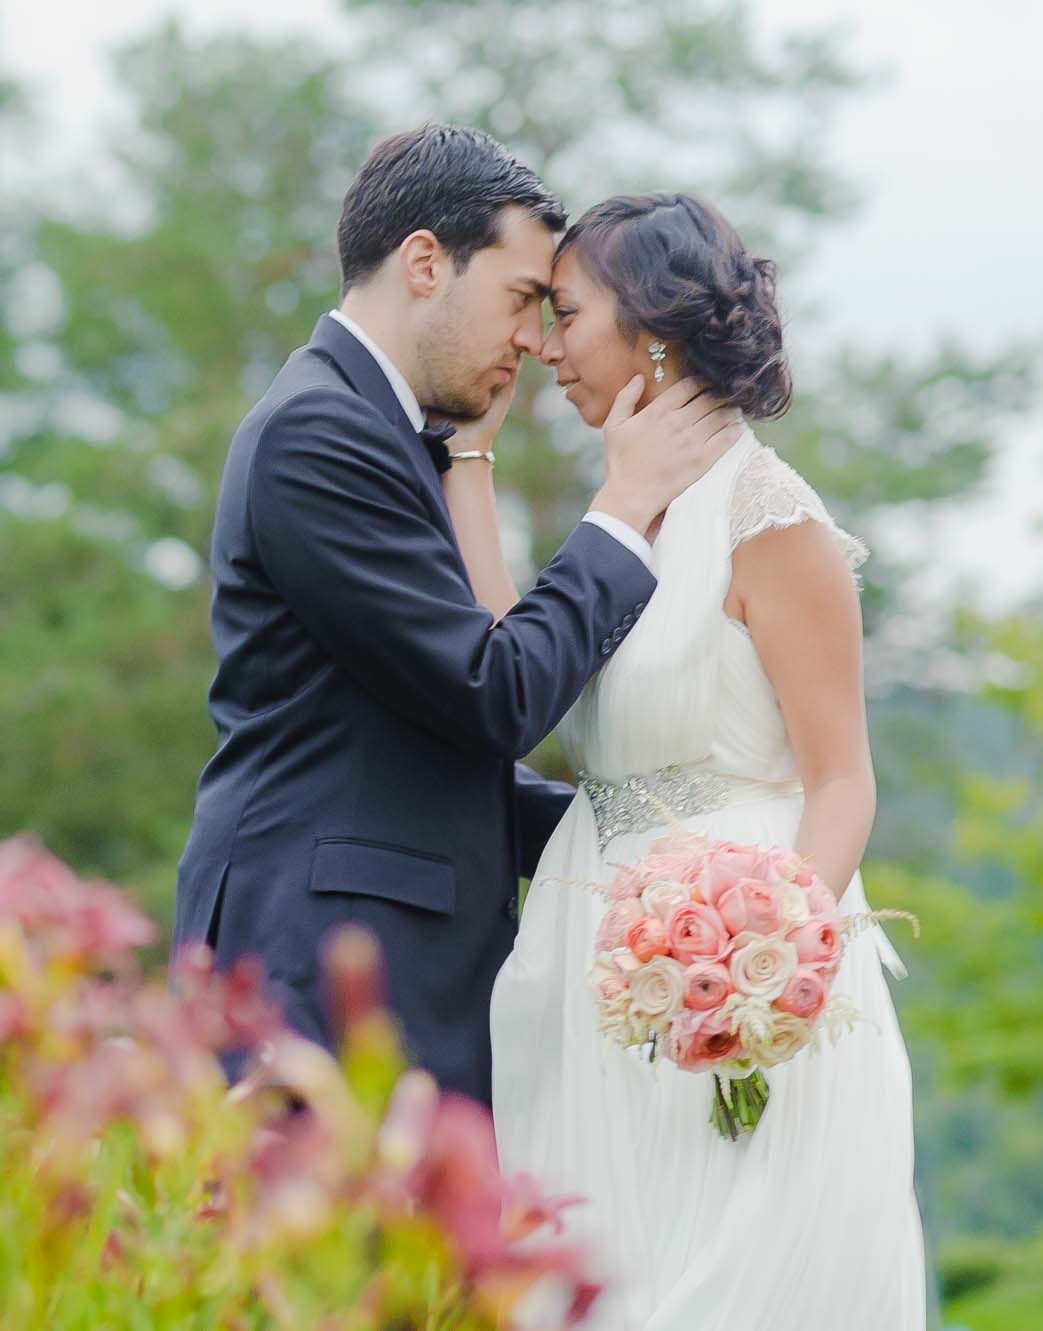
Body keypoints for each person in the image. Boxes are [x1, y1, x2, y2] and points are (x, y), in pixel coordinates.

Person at [170, 124, 741, 1106]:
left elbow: (418, 745)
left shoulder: (377, 430)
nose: (532, 340)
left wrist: (646, 849)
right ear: (425, 262)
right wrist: (619, 510)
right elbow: (492, 692)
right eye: (521, 298)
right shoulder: (320, 432)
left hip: (372, 958)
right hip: (320, 971)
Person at [480, 193, 926, 1329]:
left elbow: (840, 779)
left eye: (563, 313)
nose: (540, 343)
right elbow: (496, 671)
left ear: (652, 330)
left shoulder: (768, 514)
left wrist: (762, 953)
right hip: (590, 969)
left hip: (732, 989)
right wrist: (466, 449)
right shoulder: (623, 513)